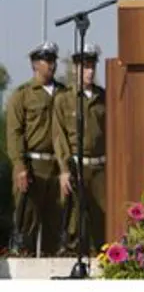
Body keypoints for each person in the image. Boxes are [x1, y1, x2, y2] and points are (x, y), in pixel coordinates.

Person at [5, 41, 67, 255]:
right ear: (34, 64)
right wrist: (19, 165)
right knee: (26, 228)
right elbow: (14, 133)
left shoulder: (64, 94)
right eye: (46, 60)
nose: (51, 65)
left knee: (56, 227)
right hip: (32, 166)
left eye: (53, 60)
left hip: (58, 167)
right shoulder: (22, 95)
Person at [52, 43, 107, 254]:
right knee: (75, 224)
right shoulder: (64, 100)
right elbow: (59, 137)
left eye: (93, 66)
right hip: (76, 168)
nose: (90, 71)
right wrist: (65, 170)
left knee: (101, 221)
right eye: (85, 67)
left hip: (101, 169)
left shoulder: (103, 97)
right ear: (76, 69)